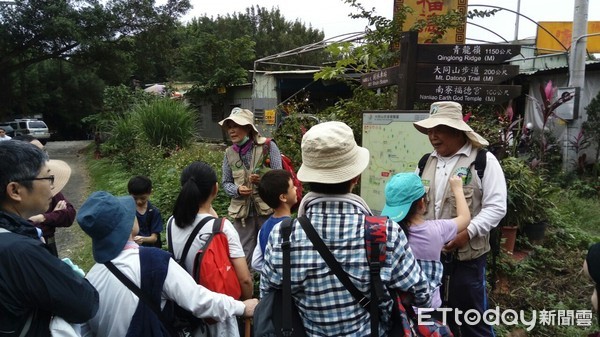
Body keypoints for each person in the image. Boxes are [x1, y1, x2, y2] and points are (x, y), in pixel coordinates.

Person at [261, 121, 431, 336]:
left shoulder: (283, 234)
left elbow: (270, 294)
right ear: (355, 177)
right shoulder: (384, 232)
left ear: (308, 178)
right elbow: (420, 294)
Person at [78, 191, 258, 337]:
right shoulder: (153, 261)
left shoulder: (90, 278)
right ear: (123, 226)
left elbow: (85, 331)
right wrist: (241, 307)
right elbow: (197, 299)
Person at [414, 101, 507, 337]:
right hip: (430, 261)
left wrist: (467, 233)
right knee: (434, 319)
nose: (432, 136)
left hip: (467, 260)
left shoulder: (483, 162)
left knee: (473, 320)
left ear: (457, 130)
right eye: (430, 131)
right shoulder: (426, 162)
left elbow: (496, 207)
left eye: (439, 129)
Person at [0, 140, 99, 336]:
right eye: (48, 178)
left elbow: (68, 214)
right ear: (15, 191)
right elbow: (86, 303)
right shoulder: (20, 251)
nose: (53, 188)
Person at [168, 161, 254, 337]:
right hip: (220, 313)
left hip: (186, 309)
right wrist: (245, 303)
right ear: (215, 189)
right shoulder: (222, 228)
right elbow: (244, 279)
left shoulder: (172, 223)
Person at [381, 172, 470, 312]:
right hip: (427, 309)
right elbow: (465, 218)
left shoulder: (384, 232)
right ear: (422, 203)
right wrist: (458, 189)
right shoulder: (436, 230)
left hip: (396, 308)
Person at [219, 107, 283, 266]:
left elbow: (281, 179)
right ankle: (248, 287)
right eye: (229, 127)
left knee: (271, 249)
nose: (232, 130)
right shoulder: (229, 153)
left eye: (236, 126)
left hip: (267, 210)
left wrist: (262, 180)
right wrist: (237, 190)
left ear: (248, 128)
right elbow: (226, 183)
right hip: (242, 215)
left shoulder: (268, 146)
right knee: (243, 254)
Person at [14, 134, 78, 256]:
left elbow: (69, 214)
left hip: (49, 245)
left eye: (44, 151)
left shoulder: (46, 182)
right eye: (36, 153)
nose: (44, 157)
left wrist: (42, 218)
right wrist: (52, 217)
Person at [251, 169, 298, 272]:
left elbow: (255, 263)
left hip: (273, 284)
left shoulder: (264, 228)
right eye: (292, 186)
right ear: (283, 197)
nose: (296, 187)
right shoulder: (295, 227)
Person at [128, 175, 164, 248]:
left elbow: (154, 238)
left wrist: (142, 239)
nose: (139, 201)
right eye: (135, 198)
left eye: (143, 198)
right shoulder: (128, 211)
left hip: (152, 250)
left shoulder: (154, 212)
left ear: (150, 192)